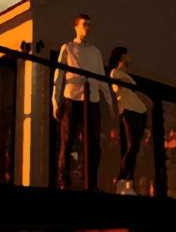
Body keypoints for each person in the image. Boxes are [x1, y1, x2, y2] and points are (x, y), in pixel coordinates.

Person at [53, 13, 115, 191]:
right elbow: (59, 76)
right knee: (67, 141)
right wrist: (55, 101)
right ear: (76, 27)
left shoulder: (95, 51)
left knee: (94, 143)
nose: (87, 28)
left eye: (89, 25)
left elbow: (101, 77)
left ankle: (92, 183)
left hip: (92, 100)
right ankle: (63, 181)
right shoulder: (68, 48)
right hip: (72, 98)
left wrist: (109, 102)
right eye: (84, 25)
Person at [108, 47, 152, 195]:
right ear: (122, 56)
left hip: (139, 111)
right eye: (128, 54)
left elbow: (139, 94)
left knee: (135, 149)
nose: (130, 57)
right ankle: (122, 179)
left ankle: (129, 182)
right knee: (132, 146)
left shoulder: (127, 76)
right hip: (128, 111)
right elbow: (120, 89)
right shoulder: (116, 73)